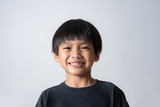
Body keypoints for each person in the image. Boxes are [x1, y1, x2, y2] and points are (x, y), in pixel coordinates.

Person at [35, 19, 129, 107]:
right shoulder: (48, 97)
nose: (76, 55)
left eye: (84, 47)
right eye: (67, 48)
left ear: (96, 55)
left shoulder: (112, 93)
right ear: (56, 56)